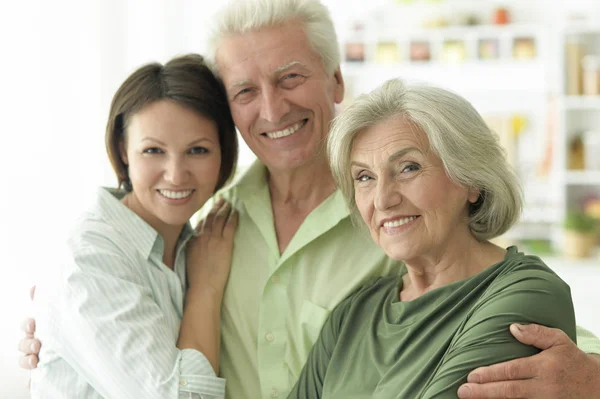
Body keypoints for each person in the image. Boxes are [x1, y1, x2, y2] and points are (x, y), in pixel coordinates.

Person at [19, 0, 600, 398]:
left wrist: (595, 376)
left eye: (291, 77)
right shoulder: (206, 228)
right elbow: (136, 340)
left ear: (336, 82)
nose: (272, 110)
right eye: (246, 90)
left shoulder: (399, 221)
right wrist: (63, 341)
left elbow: (531, 332)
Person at [288, 78, 577, 397]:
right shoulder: (353, 313)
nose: (382, 199)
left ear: (470, 180)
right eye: (365, 177)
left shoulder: (527, 293)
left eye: (408, 168)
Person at [28, 54, 239, 399]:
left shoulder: (199, 244)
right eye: (153, 150)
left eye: (198, 150)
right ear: (123, 150)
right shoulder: (89, 259)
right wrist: (205, 289)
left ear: (223, 154)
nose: (175, 174)